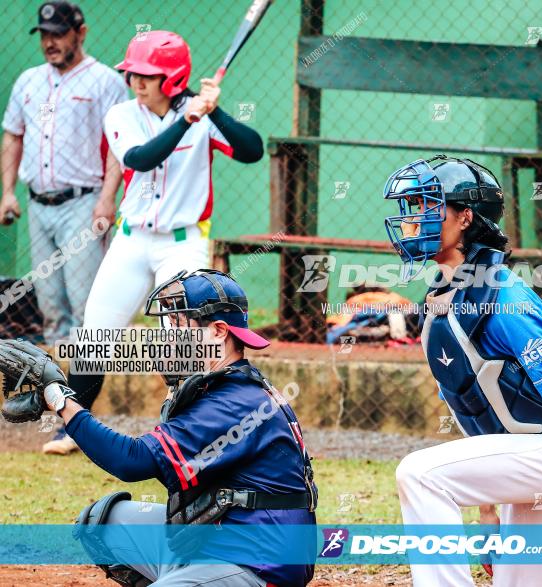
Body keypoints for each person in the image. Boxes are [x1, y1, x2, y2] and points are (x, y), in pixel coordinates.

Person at [0, 270, 317, 586]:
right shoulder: (228, 386)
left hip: (261, 567)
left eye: (180, 322)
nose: (169, 334)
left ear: (219, 331)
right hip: (225, 542)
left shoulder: (233, 402)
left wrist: (59, 399)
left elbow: (131, 460)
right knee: (103, 524)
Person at [384, 156, 542, 586]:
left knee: (420, 475)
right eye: (411, 208)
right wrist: (489, 509)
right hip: (534, 455)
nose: (413, 221)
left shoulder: (502, 297)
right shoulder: (450, 297)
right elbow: (482, 406)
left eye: (427, 207)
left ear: (465, 217)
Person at [47, 29, 264, 455]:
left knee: (182, 340)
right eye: (133, 74)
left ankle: (186, 432)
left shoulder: (202, 118)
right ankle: (72, 429)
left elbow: (252, 149)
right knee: (95, 335)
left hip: (182, 245)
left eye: (147, 75)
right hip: (131, 240)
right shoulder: (122, 115)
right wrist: (188, 117)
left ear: (174, 79)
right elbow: (141, 159)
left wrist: (214, 112)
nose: (136, 82)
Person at [0, 2, 125, 349]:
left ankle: (87, 392)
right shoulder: (29, 80)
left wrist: (106, 199)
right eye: (44, 34)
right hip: (37, 205)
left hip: (83, 203)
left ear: (80, 33)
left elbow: (118, 144)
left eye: (58, 34)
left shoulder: (105, 81)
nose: (50, 42)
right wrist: (7, 192)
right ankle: (59, 394)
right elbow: (12, 134)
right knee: (50, 307)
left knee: (86, 305)